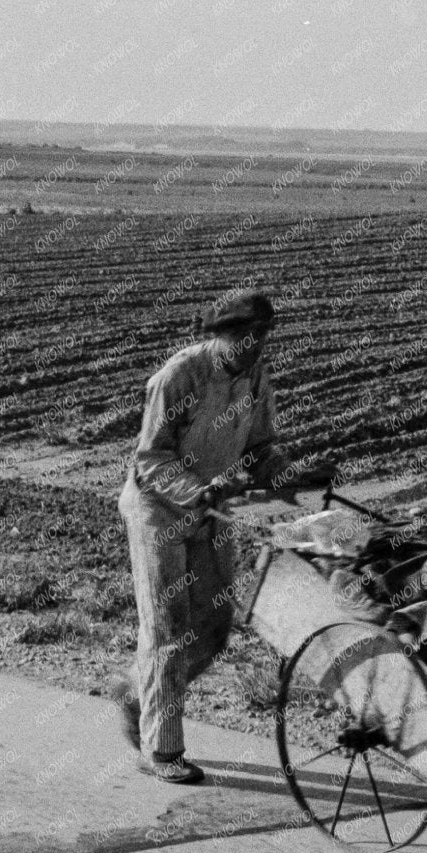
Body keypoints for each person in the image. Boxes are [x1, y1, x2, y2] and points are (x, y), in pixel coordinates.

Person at [113, 287, 292, 784]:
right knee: (168, 630)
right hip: (157, 510)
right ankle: (161, 751)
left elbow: (258, 447)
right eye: (245, 337)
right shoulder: (179, 376)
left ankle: (138, 694)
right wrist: (199, 491)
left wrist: (284, 472)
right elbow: (149, 460)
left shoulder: (256, 379)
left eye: (262, 336)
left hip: (210, 511)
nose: (254, 346)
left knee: (213, 628)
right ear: (221, 336)